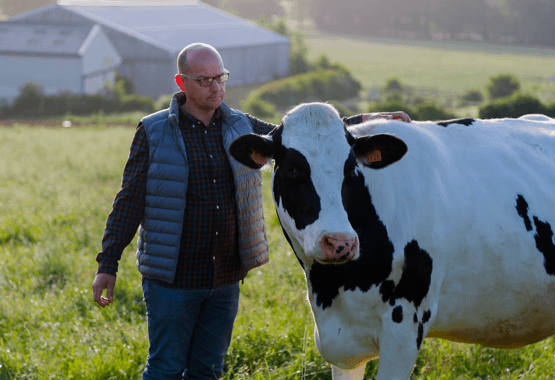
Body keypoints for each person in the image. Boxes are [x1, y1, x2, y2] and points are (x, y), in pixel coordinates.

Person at [92, 42, 410, 380]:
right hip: (173, 278)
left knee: (208, 370)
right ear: (181, 82)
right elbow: (129, 200)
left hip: (224, 277)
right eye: (205, 80)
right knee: (166, 368)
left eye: (221, 77)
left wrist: (368, 120)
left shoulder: (240, 124)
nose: (216, 87)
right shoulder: (154, 131)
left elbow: (305, 136)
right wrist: (108, 263)